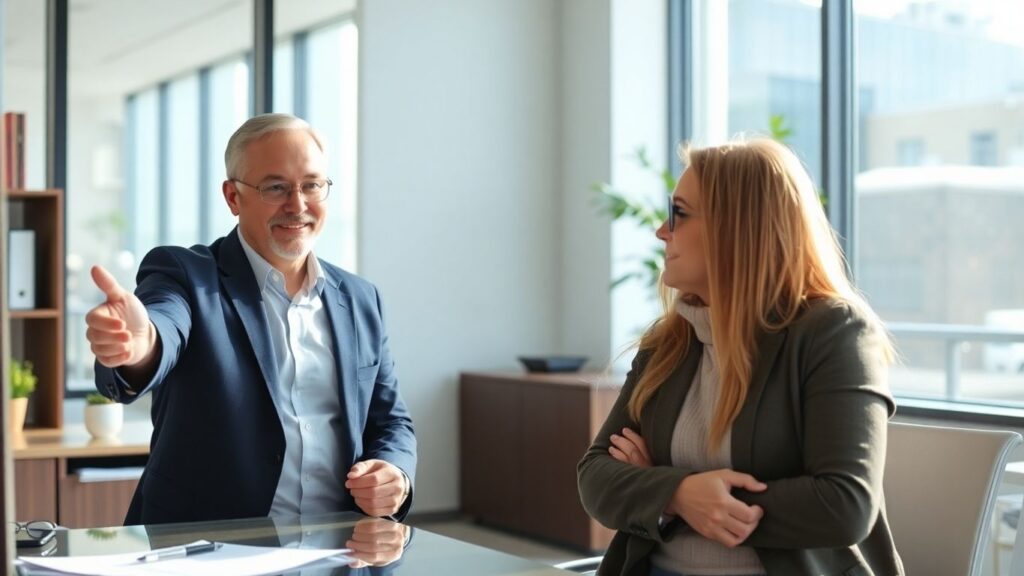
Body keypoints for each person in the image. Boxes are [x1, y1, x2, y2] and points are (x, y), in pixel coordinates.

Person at [577, 138, 902, 576]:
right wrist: (679, 493)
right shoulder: (669, 342)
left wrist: (675, 492)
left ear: (738, 227)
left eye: (680, 213)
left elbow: (844, 504)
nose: (661, 231)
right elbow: (595, 476)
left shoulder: (834, 331)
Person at [86, 113, 416, 525]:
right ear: (233, 197)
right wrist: (140, 347)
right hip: (207, 551)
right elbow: (164, 327)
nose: (297, 205)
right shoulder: (186, 274)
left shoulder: (361, 299)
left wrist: (395, 473)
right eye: (275, 187)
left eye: (312, 184)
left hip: (337, 550)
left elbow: (390, 420)